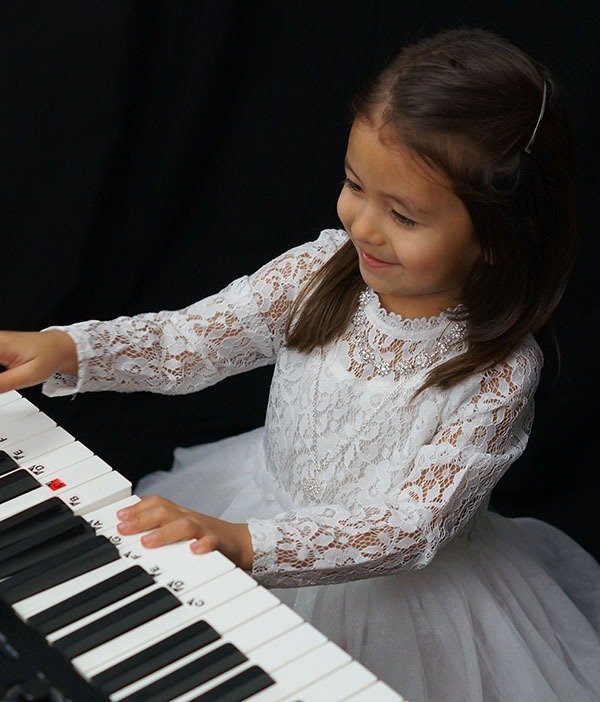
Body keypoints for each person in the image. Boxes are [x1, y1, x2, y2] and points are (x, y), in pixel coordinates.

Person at [0, 26, 598, 702]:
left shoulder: (497, 372)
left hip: (399, 597)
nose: (363, 226)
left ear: (497, 237)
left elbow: (409, 525)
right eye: (354, 185)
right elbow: (187, 342)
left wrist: (247, 543)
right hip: (253, 499)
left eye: (403, 215)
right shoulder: (318, 272)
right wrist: (71, 349)